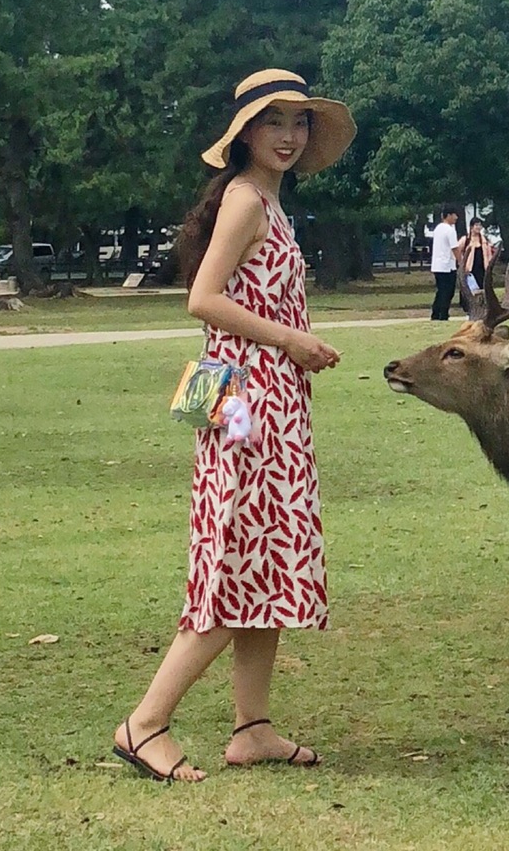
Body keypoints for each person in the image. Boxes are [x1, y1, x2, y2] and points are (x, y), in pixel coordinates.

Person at [114, 68, 354, 784]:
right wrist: (290, 341)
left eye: (299, 121)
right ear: (244, 132)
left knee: (268, 563)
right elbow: (202, 299)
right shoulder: (247, 201)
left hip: (263, 397)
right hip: (245, 400)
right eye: (273, 121)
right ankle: (145, 723)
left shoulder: (269, 204)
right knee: (236, 563)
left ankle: (252, 727)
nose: (288, 134)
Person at [428, 207, 460, 321]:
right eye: (454, 215)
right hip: (447, 265)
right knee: (448, 291)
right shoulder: (450, 230)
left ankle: (436, 313)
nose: (456, 218)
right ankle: (443, 314)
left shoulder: (438, 228)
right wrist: (461, 261)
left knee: (441, 290)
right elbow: (455, 248)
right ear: (449, 215)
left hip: (437, 265)